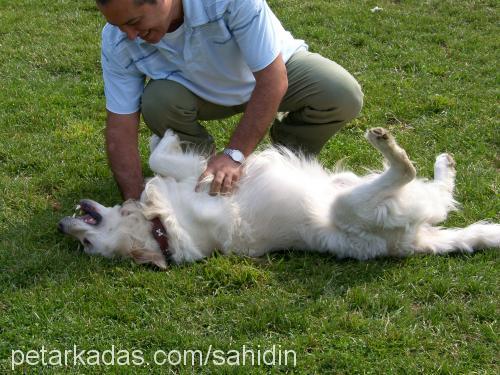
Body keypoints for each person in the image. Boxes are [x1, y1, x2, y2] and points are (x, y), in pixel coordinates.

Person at [97, 0, 363, 199]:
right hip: (198, 92)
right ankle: (201, 176)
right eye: (118, 25)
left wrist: (234, 154)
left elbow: (273, 80)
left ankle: (282, 159)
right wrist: (134, 202)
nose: (128, 34)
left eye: (133, 22)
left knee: (341, 94)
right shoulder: (117, 41)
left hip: (272, 72)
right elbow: (120, 127)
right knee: (158, 100)